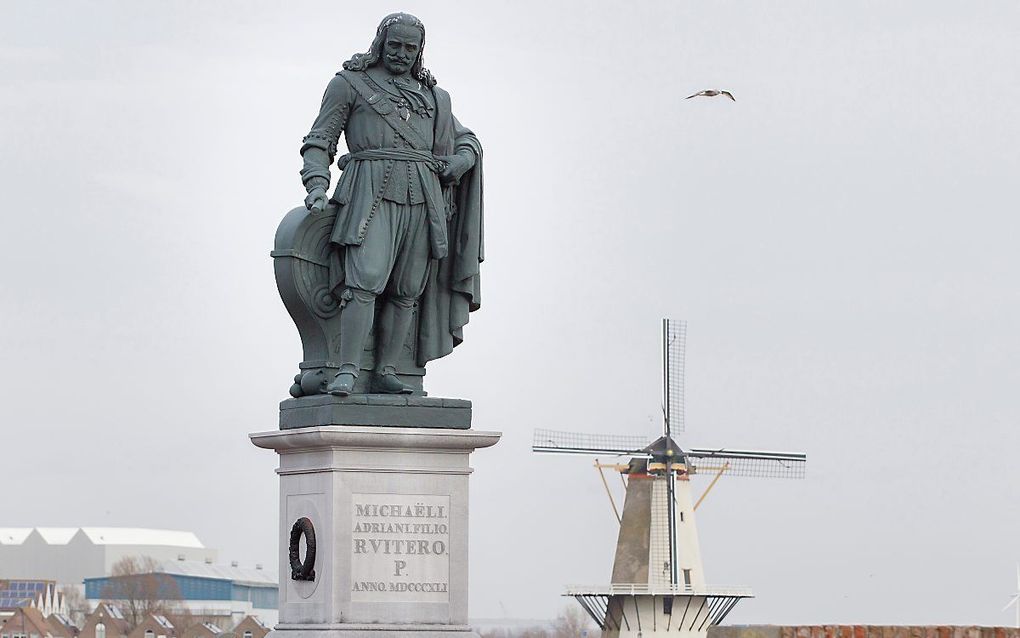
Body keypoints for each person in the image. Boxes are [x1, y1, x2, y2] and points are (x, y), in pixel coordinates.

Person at [300, 12, 483, 396]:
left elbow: (467, 141)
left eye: (410, 48)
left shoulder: (435, 97)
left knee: (407, 289)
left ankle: (387, 369)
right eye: (395, 45)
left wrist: (460, 161)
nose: (401, 53)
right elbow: (320, 141)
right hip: (368, 192)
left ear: (420, 51)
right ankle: (347, 369)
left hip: (423, 197)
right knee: (363, 281)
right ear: (381, 42)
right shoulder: (348, 84)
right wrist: (317, 184)